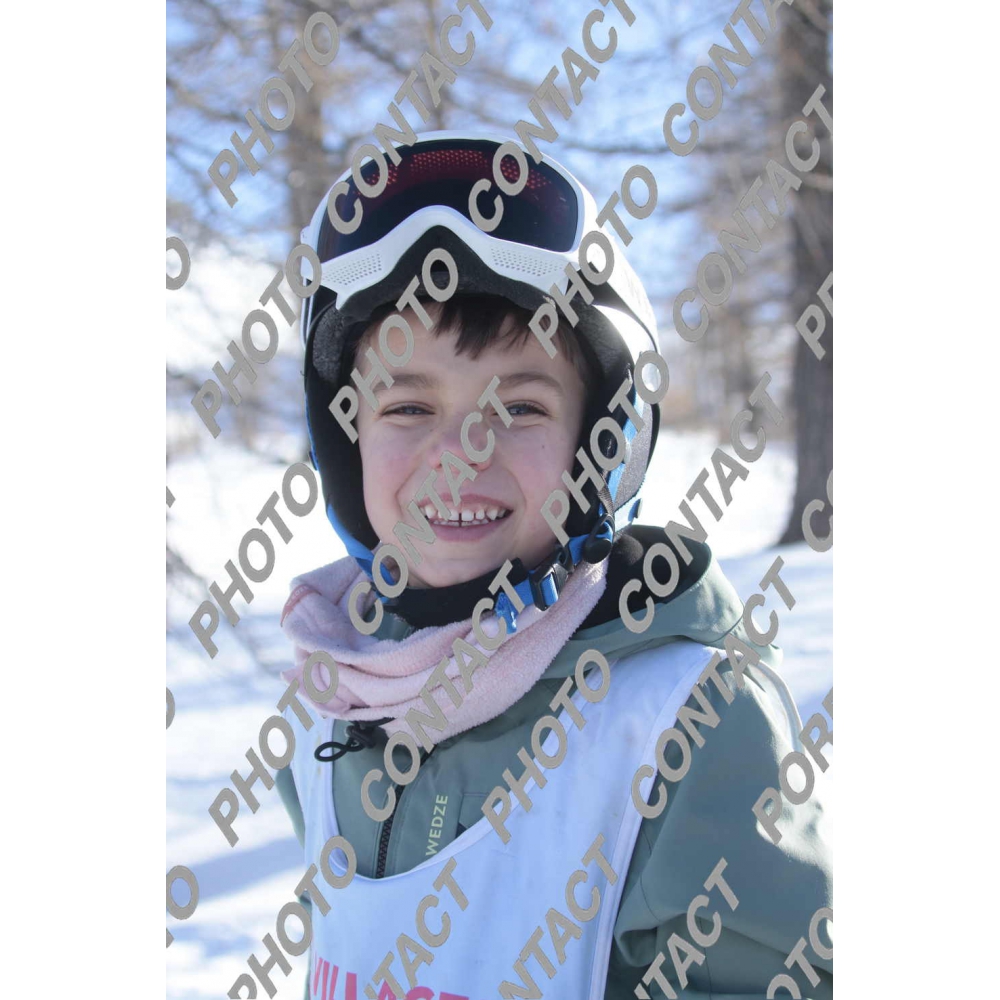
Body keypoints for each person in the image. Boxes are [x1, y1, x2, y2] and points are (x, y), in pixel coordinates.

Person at [275, 132, 832, 1000]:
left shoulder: (684, 731)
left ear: (599, 445)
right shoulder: (333, 707)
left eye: (520, 408)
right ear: (347, 442)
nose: (460, 454)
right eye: (409, 405)